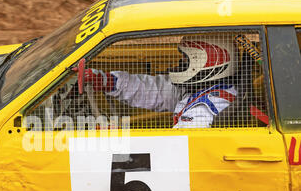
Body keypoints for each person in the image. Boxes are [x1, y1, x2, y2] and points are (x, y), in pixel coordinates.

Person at [83, 35, 239, 128]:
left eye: (186, 59)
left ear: (207, 63)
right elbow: (155, 90)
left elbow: (177, 148)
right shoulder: (204, 90)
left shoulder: (203, 110)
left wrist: (116, 140)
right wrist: (109, 82)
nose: (180, 64)